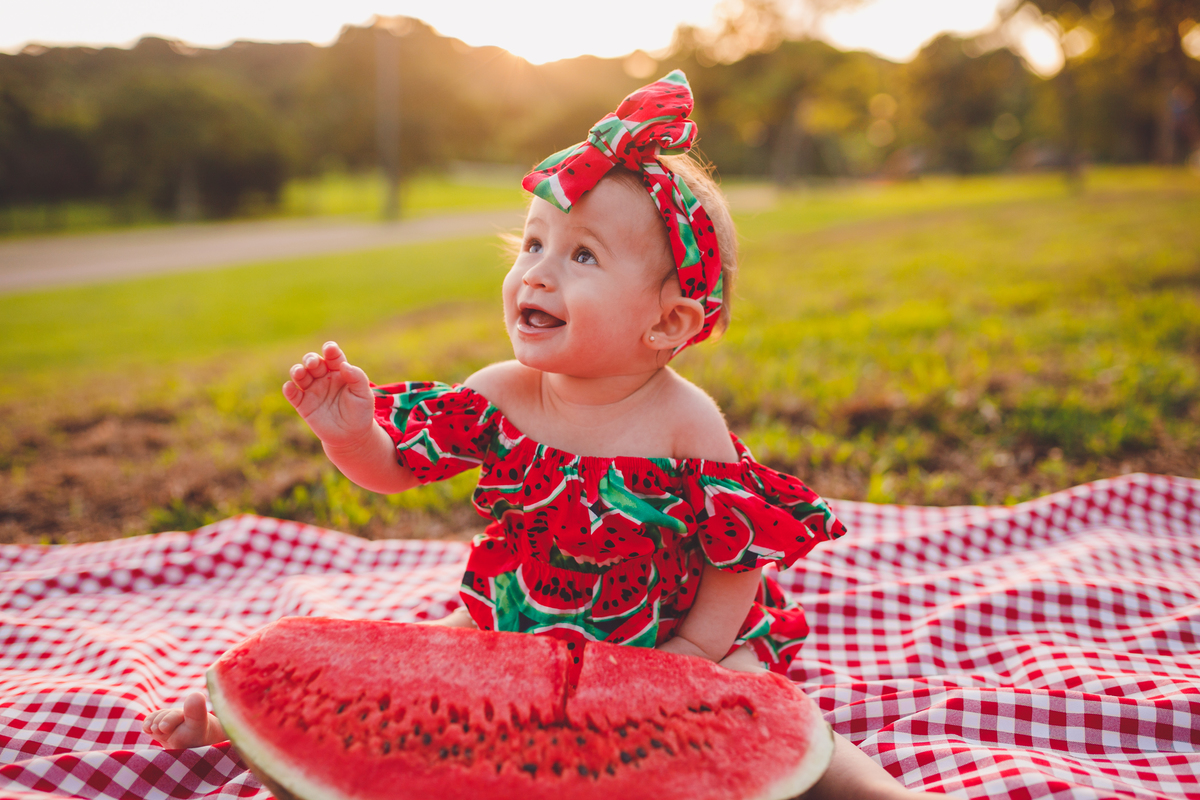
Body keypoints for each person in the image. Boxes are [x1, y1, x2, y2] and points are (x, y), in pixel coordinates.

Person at [144, 71, 944, 799]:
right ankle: (235, 711)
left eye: (582, 255)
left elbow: (733, 554)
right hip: (513, 616)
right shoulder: (496, 396)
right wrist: (349, 437)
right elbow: (394, 471)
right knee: (399, 672)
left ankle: (873, 791)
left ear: (669, 322)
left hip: (671, 632)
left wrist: (697, 656)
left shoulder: (686, 421)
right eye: (531, 244)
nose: (537, 272)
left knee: (766, 712)